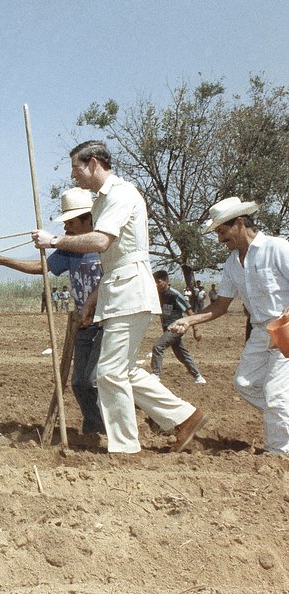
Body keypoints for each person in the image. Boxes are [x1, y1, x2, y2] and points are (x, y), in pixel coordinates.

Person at [32, 140, 204, 454]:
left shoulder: (121, 194)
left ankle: (126, 446)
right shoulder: (102, 201)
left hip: (130, 291)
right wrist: (92, 300)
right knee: (122, 369)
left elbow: (99, 242)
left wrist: (53, 240)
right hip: (120, 289)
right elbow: (111, 260)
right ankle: (185, 418)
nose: (74, 175)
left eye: (76, 167)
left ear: (93, 162)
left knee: (109, 372)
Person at [170, 197, 289, 454]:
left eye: (222, 231)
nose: (220, 239)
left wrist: (285, 321)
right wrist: (189, 320)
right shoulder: (232, 264)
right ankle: (282, 417)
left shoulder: (277, 248)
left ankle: (279, 454)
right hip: (260, 331)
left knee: (277, 394)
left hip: (286, 327)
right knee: (244, 383)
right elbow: (220, 305)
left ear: (241, 222)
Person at [0, 187, 105, 435]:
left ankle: (116, 427)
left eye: (70, 223)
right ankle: (95, 429)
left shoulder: (106, 245)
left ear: (87, 220)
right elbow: (41, 267)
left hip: (108, 322)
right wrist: (3, 261)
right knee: (79, 383)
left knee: (101, 380)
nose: (66, 229)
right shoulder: (68, 249)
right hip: (83, 324)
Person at [151, 270, 206, 384]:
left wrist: (196, 329)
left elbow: (190, 312)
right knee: (180, 353)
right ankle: (198, 377)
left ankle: (155, 375)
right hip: (167, 327)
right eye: (154, 282)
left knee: (158, 346)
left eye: (159, 282)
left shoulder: (175, 295)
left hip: (177, 327)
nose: (156, 284)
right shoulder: (157, 294)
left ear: (166, 281)